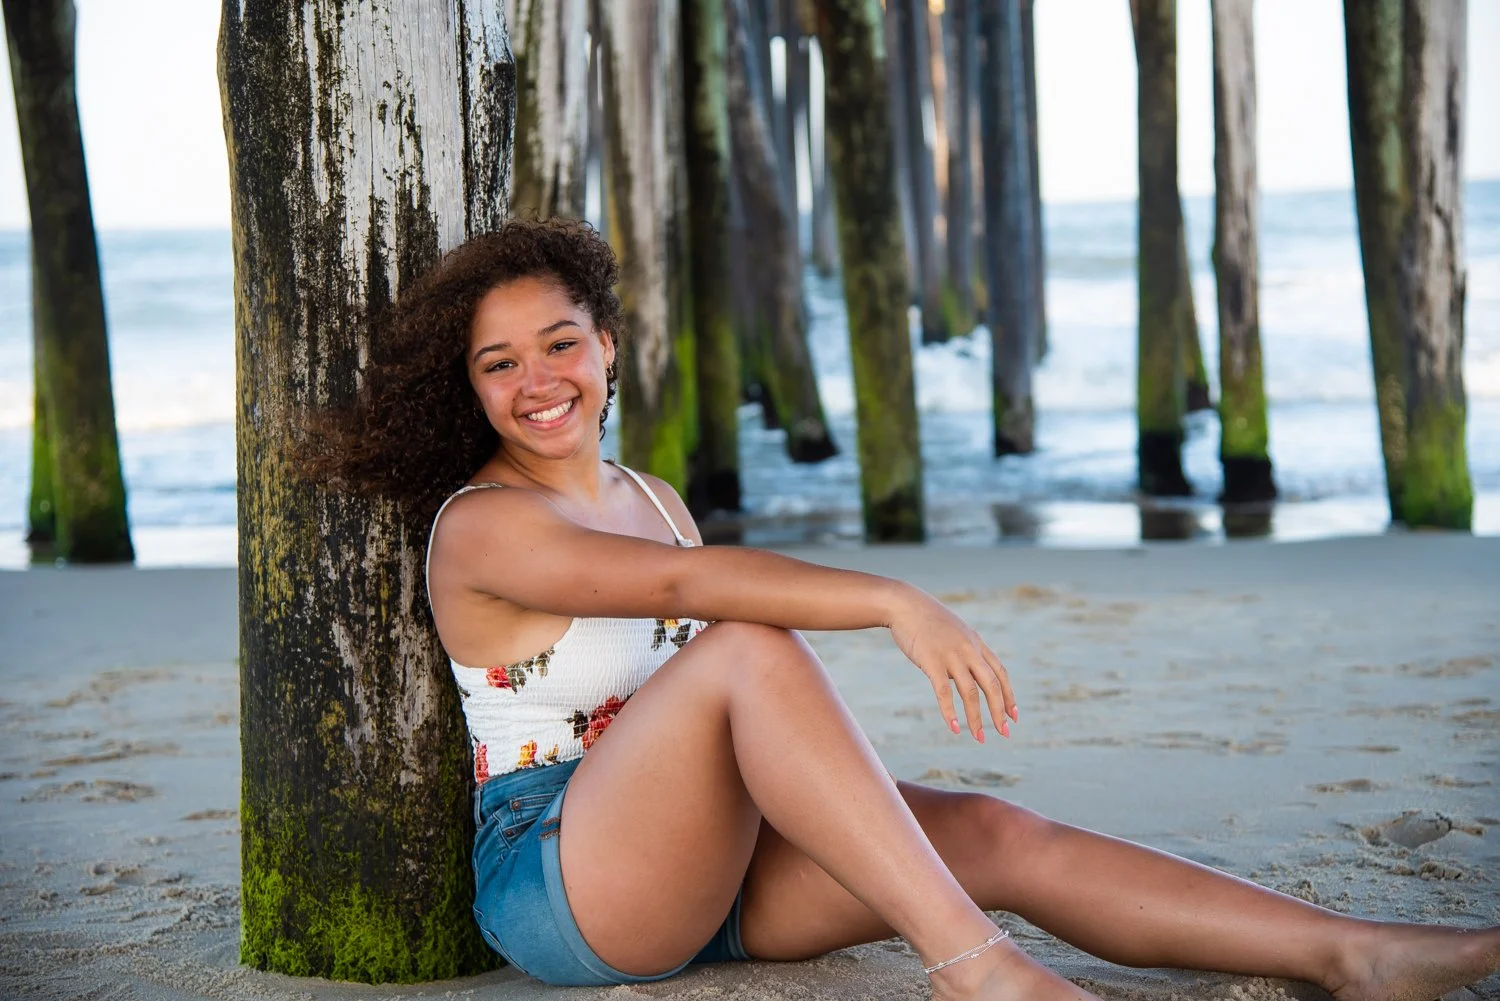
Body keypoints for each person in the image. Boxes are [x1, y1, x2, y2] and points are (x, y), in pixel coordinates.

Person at [320, 218, 1498, 999]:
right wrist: (888, 597)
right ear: (469, 388)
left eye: (560, 343)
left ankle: (1350, 950)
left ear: (608, 346)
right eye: (500, 362)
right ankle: (981, 971)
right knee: (745, 650)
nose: (539, 381)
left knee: (990, 831)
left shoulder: (653, 495)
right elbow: (690, 595)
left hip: (712, 861)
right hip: (565, 876)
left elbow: (687, 597)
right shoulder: (486, 524)